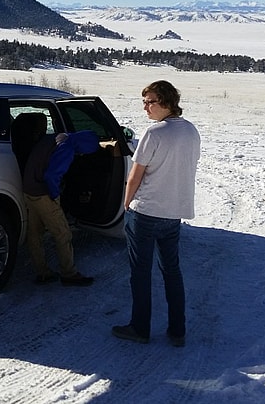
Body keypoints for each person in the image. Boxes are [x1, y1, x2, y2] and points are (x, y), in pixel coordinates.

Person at [112, 80, 200, 346]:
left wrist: (126, 204)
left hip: (146, 213)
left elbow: (135, 175)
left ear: (166, 101)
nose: (145, 107)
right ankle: (177, 330)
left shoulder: (154, 133)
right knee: (172, 271)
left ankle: (140, 328)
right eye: (144, 102)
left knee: (141, 273)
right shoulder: (191, 131)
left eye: (149, 101)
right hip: (174, 214)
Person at [22, 129, 100, 287]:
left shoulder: (56, 137)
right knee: (62, 233)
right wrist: (54, 195)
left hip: (28, 189)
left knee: (34, 233)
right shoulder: (67, 148)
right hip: (43, 193)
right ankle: (69, 274)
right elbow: (51, 176)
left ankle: (43, 272)